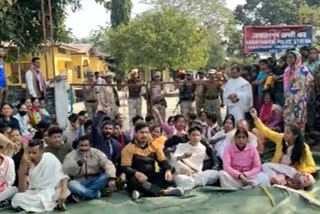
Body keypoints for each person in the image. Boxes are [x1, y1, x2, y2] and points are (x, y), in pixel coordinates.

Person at [121, 122, 184, 200]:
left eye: (146, 132)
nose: (144, 135)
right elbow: (125, 167)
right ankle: (164, 192)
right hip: (137, 178)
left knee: (168, 172)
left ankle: (142, 193)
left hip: (151, 175)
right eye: (141, 132)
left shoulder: (154, 144)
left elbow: (162, 160)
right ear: (136, 133)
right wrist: (136, 173)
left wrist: (168, 170)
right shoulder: (128, 148)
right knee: (134, 182)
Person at [250, 108, 316, 175]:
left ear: (295, 135)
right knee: (265, 166)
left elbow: (312, 167)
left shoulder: (303, 147)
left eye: (288, 133)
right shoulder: (280, 138)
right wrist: (255, 118)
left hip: (293, 172)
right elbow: (266, 132)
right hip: (278, 168)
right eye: (284, 131)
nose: (284, 134)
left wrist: (301, 172)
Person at [11, 140, 69, 212]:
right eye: (29, 153)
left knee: (54, 194)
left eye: (34, 153)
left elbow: (63, 176)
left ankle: (54, 202)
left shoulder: (50, 158)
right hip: (35, 192)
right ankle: (55, 204)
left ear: (42, 152)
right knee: (17, 198)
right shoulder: (26, 163)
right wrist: (22, 171)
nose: (31, 155)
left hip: (51, 190)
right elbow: (22, 190)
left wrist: (63, 192)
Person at [63, 135, 116, 200]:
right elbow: (66, 169)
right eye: (81, 145)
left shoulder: (96, 152)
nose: (83, 148)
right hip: (80, 180)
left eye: (86, 145)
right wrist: (78, 164)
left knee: (106, 175)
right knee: (71, 184)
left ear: (90, 145)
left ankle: (81, 194)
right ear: (78, 145)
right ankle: (96, 194)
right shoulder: (72, 155)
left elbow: (108, 164)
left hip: (96, 179)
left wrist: (112, 179)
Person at [173, 126, 219, 191]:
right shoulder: (181, 146)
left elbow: (199, 164)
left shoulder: (202, 148)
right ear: (188, 136)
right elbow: (174, 160)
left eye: (198, 135)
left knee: (216, 174)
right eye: (193, 135)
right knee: (181, 179)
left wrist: (195, 173)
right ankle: (188, 185)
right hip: (183, 173)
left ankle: (185, 187)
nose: (196, 137)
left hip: (197, 174)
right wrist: (183, 156)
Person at [283, 50, 313, 130]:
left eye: (291, 57)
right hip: (289, 99)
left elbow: (310, 82)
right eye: (288, 57)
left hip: (300, 98)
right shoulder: (287, 70)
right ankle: (288, 138)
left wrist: (305, 95)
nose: (289, 59)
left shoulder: (303, 70)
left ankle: (300, 139)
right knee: (288, 119)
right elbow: (286, 85)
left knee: (299, 119)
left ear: (297, 58)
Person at [304, 47, 320, 132]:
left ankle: (312, 127)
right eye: (311, 53)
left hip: (316, 88)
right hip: (306, 89)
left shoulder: (319, 64)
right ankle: (307, 126)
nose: (313, 55)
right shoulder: (304, 64)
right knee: (307, 107)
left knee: (313, 108)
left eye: (315, 53)